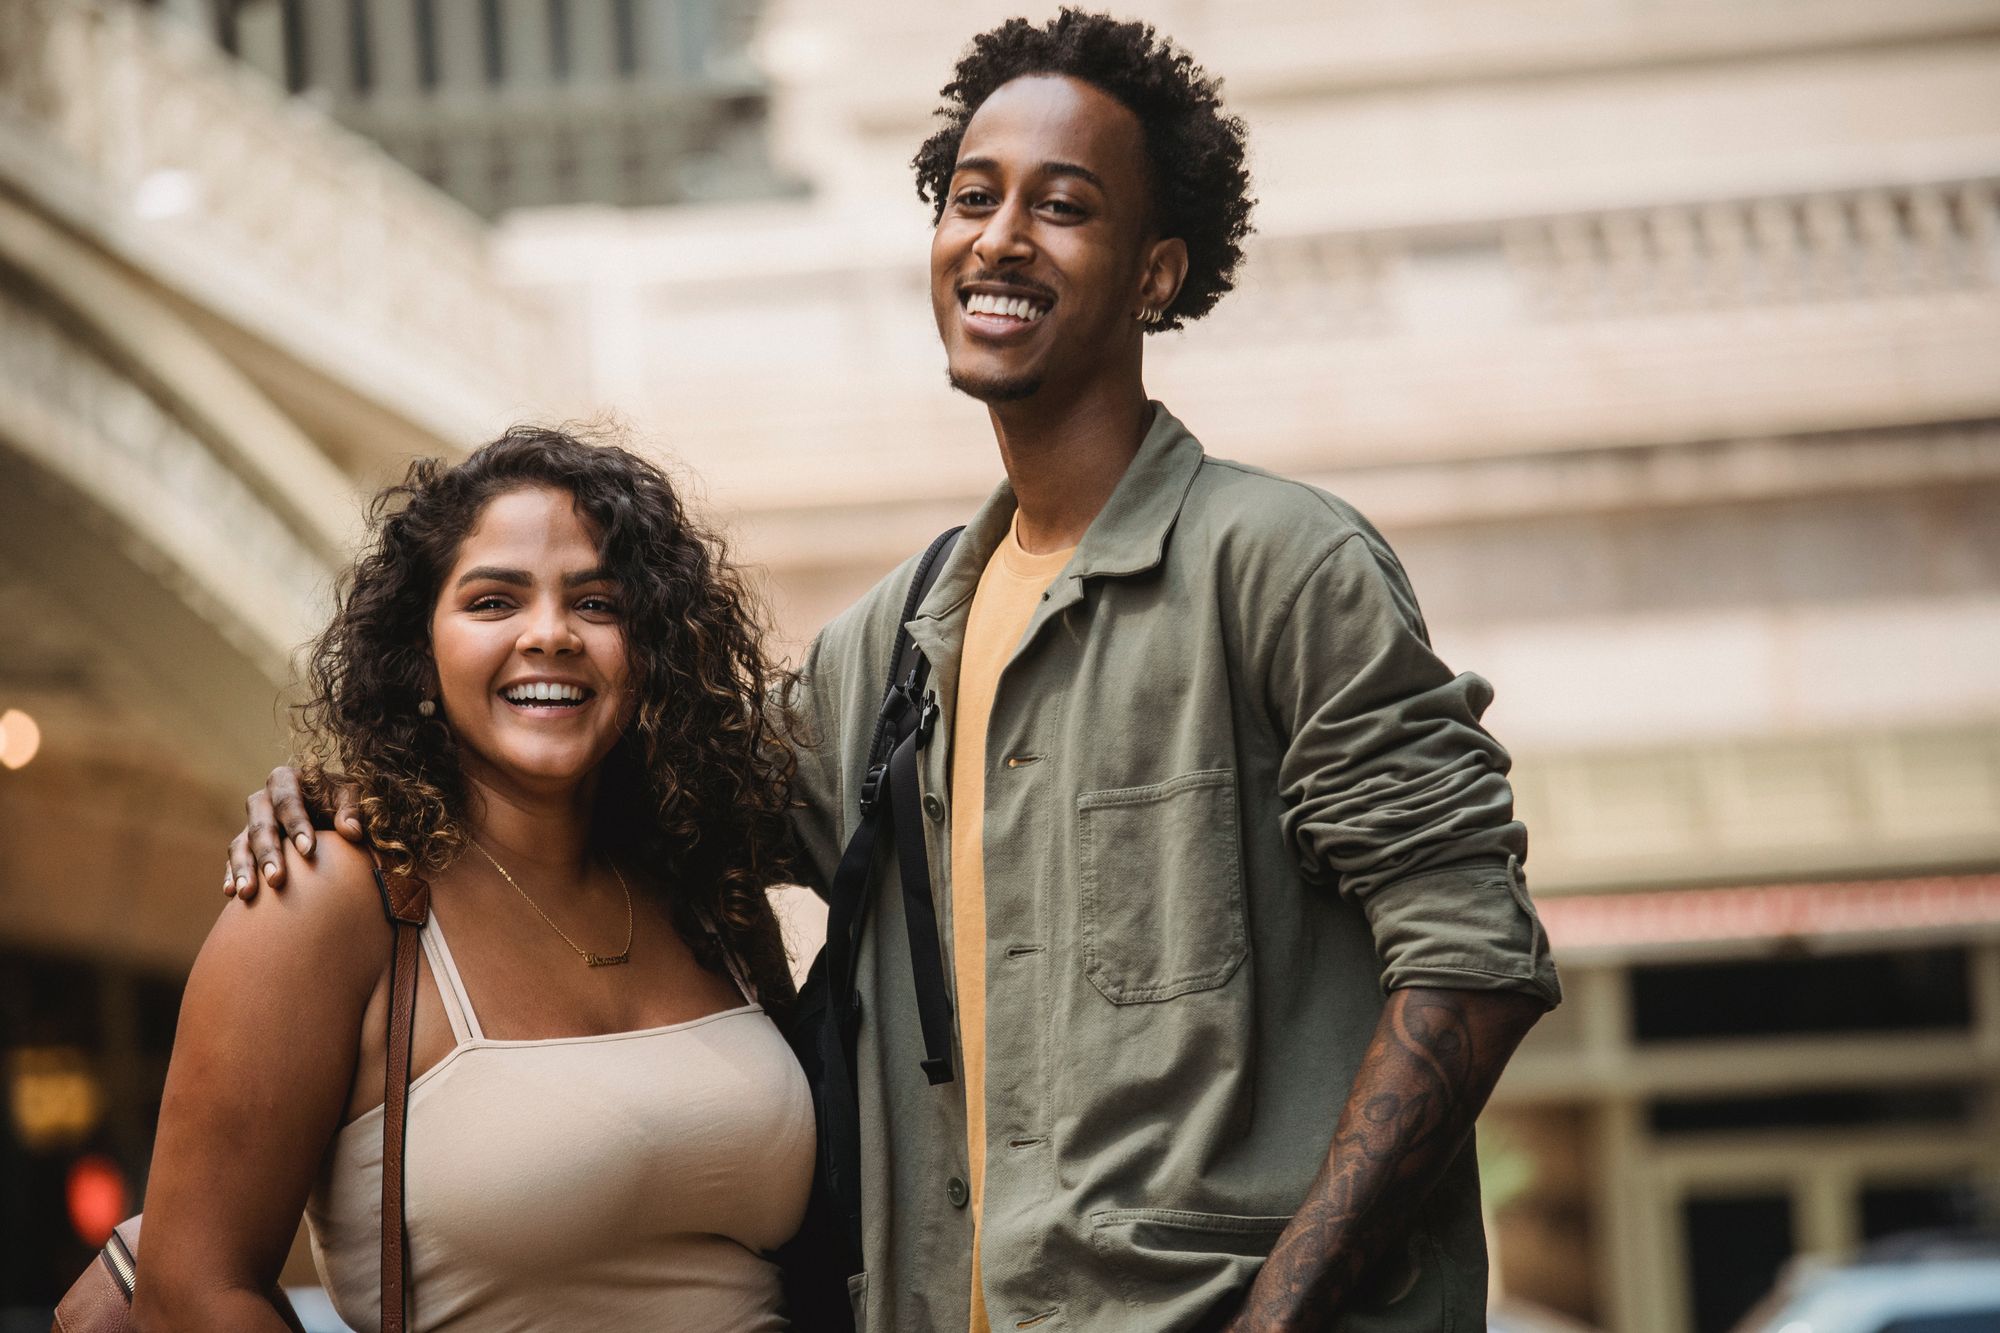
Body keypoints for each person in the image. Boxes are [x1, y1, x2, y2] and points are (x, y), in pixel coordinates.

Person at [230, 11, 1561, 1331]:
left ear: (1157, 274)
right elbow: (629, 776)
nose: (1000, 237)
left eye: (1065, 205)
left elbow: (1472, 958)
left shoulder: (1285, 567)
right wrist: (358, 797)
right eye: (972, 196)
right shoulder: (894, 642)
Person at [139, 431, 814, 1331]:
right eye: (493, 600)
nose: (549, 634)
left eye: (598, 602)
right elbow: (188, 1296)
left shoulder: (704, 892)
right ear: (422, 652)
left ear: (651, 648)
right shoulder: (328, 900)